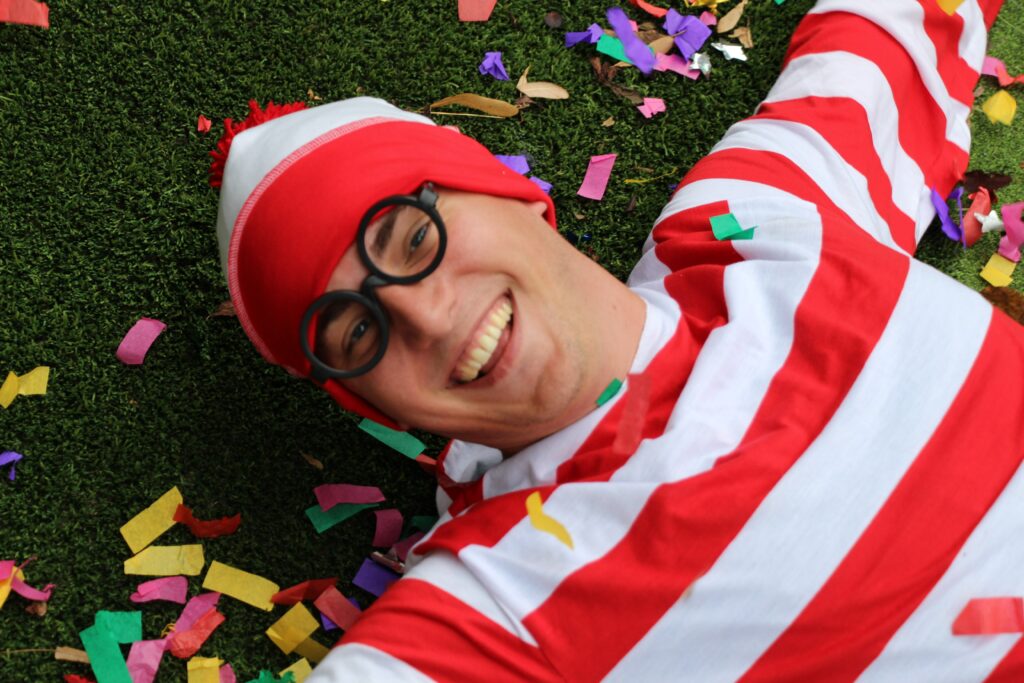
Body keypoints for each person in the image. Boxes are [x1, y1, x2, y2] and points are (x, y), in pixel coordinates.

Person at [212, 0, 1020, 679]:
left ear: (513, 193)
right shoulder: (488, 605)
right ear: (366, 397)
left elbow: (888, 33)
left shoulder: (753, 221)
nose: (425, 316)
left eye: (413, 240)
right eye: (358, 332)